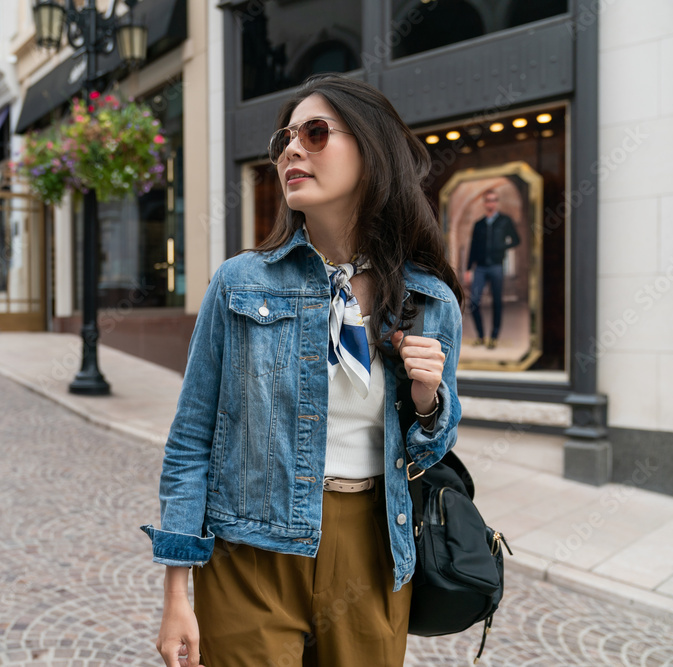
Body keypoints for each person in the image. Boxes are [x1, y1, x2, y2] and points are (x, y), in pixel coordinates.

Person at [141, 74, 464, 667]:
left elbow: (429, 450)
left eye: (315, 134)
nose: (291, 150)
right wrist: (175, 591)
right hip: (249, 556)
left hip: (371, 550)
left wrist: (427, 398)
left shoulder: (427, 299)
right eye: (284, 140)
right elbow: (191, 441)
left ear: (372, 151)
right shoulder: (239, 283)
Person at [465, 189, 520, 349]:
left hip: (496, 267)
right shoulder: (479, 224)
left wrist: (502, 246)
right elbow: (473, 247)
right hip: (480, 268)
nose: (491, 203)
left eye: (494, 200)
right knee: (474, 302)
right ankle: (481, 336)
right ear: (484, 203)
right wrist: (469, 269)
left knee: (497, 302)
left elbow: (516, 240)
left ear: (496, 202)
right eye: (488, 200)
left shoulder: (505, 221)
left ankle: (494, 337)